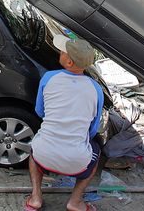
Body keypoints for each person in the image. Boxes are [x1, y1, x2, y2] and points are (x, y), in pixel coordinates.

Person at [25, 35, 104, 211]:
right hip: (77, 161)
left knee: (35, 148)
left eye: (62, 51)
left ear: (69, 62)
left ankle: (36, 198)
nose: (59, 52)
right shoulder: (96, 89)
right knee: (96, 152)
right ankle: (75, 202)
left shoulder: (48, 78)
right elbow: (92, 129)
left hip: (43, 154)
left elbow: (40, 111)